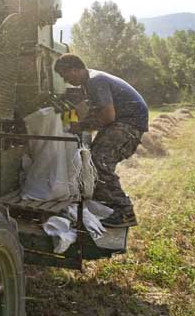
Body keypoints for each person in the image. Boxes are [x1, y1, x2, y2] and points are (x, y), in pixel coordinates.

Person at [53, 54, 148, 227]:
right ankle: (103, 203)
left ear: (74, 70)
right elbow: (95, 112)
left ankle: (125, 213)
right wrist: (80, 123)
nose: (65, 80)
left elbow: (107, 116)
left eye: (64, 75)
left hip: (129, 123)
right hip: (122, 121)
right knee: (91, 159)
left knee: (98, 161)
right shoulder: (90, 81)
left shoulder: (95, 81)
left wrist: (80, 126)